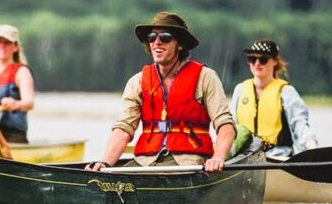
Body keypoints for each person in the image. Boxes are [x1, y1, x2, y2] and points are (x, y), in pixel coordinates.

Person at [85, 11, 235, 172]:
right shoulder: (138, 81)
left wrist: (218, 157)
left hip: (190, 162)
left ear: (180, 44)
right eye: (151, 37)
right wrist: (105, 163)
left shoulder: (206, 77)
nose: (157, 42)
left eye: (165, 37)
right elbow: (124, 128)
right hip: (146, 162)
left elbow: (225, 124)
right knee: (107, 182)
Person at [229, 39, 319, 157]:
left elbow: (300, 125)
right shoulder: (240, 89)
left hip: (278, 157)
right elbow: (231, 126)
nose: (257, 63)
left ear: (275, 61)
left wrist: (313, 149)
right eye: (252, 59)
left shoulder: (286, 92)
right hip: (245, 159)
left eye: (263, 59)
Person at [0, 24, 35, 143]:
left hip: (12, 134)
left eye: (7, 43)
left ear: (15, 47)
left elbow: (29, 103)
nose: (2, 46)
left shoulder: (22, 71)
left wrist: (16, 104)